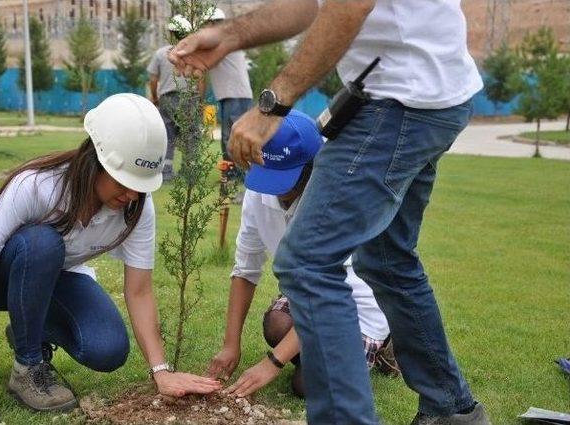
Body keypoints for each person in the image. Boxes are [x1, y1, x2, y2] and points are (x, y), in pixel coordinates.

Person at [169, 1, 490, 424]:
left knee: (307, 262)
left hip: (398, 100)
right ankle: (452, 411)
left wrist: (273, 105)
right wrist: (231, 34)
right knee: (386, 258)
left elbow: (348, 5)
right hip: (420, 95)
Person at [0, 94, 220, 418]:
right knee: (43, 243)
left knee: (107, 348)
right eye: (124, 181)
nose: (132, 194)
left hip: (56, 275)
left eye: (141, 186)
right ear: (96, 158)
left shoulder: (137, 207)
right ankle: (28, 367)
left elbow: (139, 290)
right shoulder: (36, 186)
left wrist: (161, 371)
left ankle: (31, 328)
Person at [207, 110, 398, 399]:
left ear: (313, 167)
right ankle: (327, 357)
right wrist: (230, 344)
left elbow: (326, 294)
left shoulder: (336, 202)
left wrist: (272, 363)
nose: (276, 193)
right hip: (306, 297)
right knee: (277, 324)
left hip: (355, 307)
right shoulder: (259, 191)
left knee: (307, 386)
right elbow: (245, 269)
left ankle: (381, 345)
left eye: (285, 180)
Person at [147, 15, 204, 182]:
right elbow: (200, 79)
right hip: (190, 98)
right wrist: (199, 101)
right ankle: (190, 173)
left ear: (171, 33)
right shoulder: (194, 54)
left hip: (167, 98)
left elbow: (153, 80)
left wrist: (155, 98)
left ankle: (165, 172)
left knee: (168, 135)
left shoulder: (160, 54)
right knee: (191, 135)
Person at [204, 8, 253, 182]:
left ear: (211, 23)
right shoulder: (226, 37)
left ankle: (236, 175)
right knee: (233, 136)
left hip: (235, 95)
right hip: (234, 94)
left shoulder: (221, 38)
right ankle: (236, 173)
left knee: (231, 137)